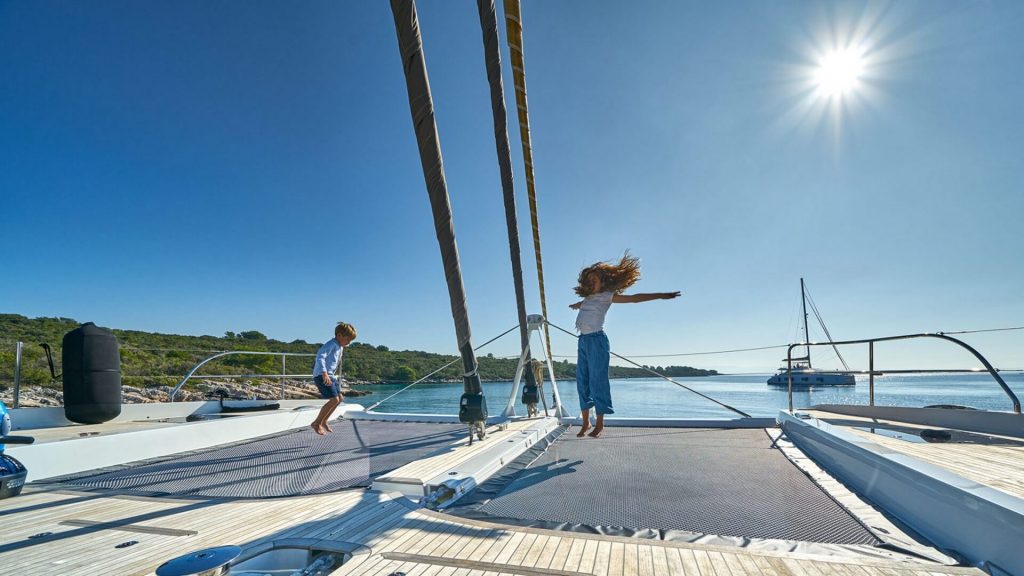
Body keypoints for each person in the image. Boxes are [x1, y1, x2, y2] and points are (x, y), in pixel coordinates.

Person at [569, 254, 679, 438]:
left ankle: (600, 424)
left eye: (595, 278)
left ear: (603, 281)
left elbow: (635, 298)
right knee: (582, 380)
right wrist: (575, 305)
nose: (592, 281)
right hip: (583, 341)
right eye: (590, 279)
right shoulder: (588, 298)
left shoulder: (607, 296)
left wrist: (661, 295)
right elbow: (582, 304)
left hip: (597, 341)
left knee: (597, 381)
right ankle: (586, 421)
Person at [311, 322, 357, 435]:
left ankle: (324, 420)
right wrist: (324, 373)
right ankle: (316, 423)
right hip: (322, 376)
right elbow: (320, 356)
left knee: (340, 398)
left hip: (331, 376)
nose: (348, 343)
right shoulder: (331, 344)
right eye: (347, 339)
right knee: (334, 400)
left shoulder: (340, 346)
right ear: (339, 335)